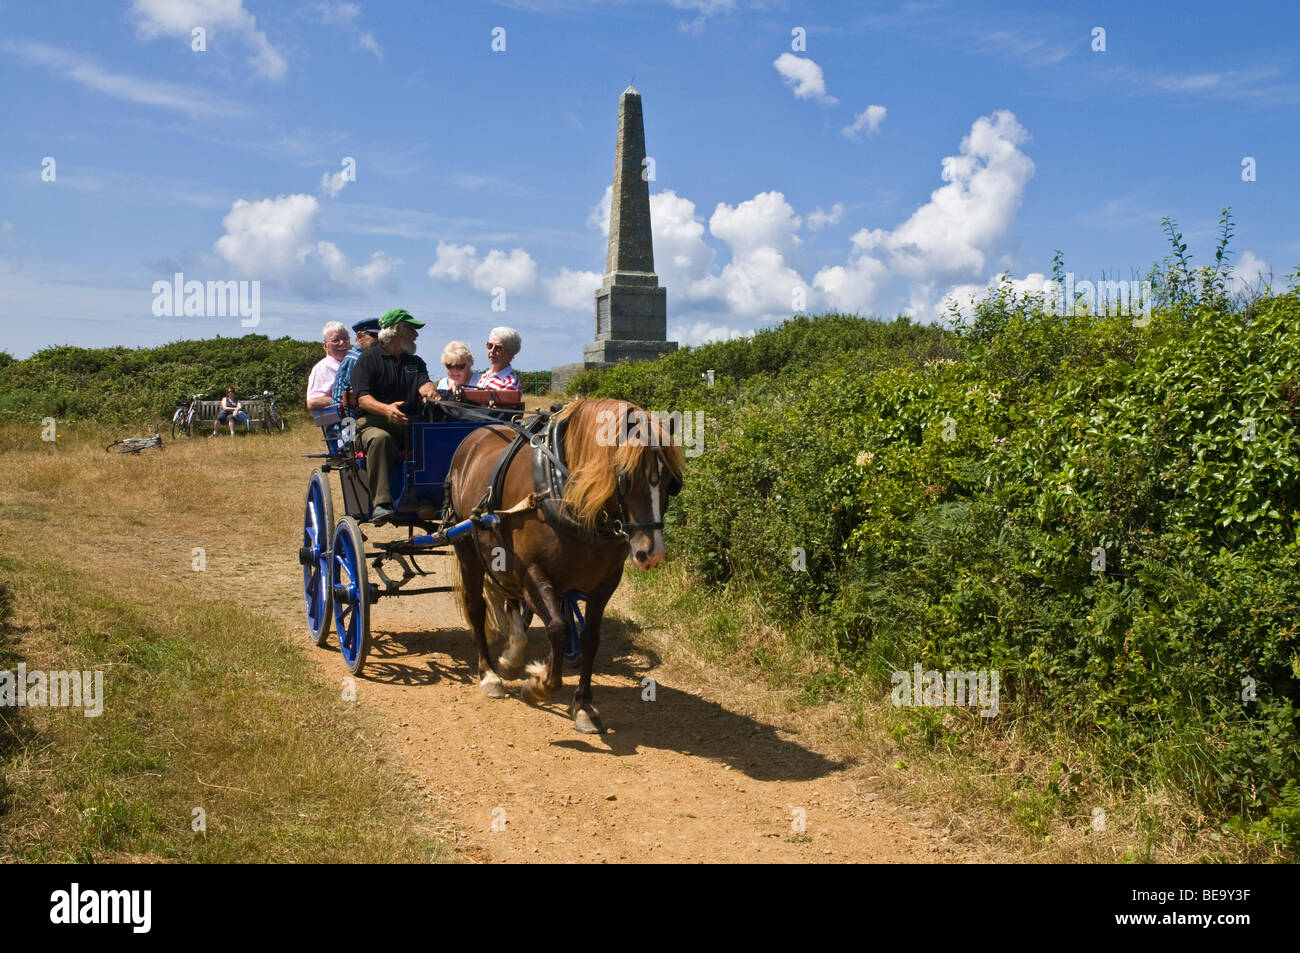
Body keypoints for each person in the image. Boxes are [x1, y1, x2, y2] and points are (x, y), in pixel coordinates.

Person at [349, 308, 439, 525]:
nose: (416, 335)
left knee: (438, 437)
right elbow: (363, 399)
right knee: (381, 439)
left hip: (408, 424)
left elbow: (423, 384)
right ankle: (381, 504)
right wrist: (387, 410)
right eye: (412, 329)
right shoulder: (367, 360)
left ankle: (436, 497)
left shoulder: (415, 362)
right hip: (371, 423)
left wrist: (430, 392)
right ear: (397, 329)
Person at [332, 317, 381, 410]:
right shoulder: (355, 360)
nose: (379, 341)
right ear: (359, 336)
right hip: (349, 420)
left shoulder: (362, 358)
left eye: (381, 337)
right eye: (375, 336)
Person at [306, 321, 351, 411]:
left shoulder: (353, 362)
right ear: (325, 346)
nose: (342, 343)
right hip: (341, 422)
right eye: (335, 340)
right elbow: (312, 402)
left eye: (345, 339)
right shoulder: (322, 368)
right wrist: (345, 400)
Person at [478, 327, 521, 392]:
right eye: (490, 345)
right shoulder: (484, 376)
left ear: (511, 353)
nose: (492, 351)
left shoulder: (510, 383)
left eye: (498, 348)